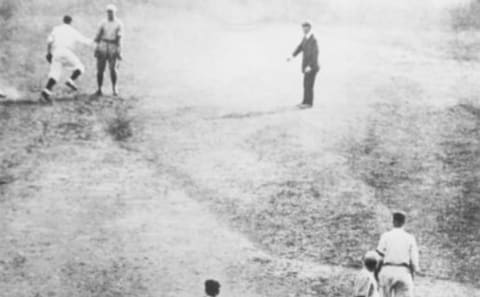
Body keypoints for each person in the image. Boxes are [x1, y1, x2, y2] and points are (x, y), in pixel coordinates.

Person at [40, 15, 94, 103]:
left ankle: (46, 92)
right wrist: (95, 41)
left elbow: (49, 41)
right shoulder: (72, 30)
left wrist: (48, 53)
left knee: (54, 74)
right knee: (80, 67)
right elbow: (84, 40)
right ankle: (70, 80)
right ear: (71, 22)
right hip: (66, 52)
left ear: (63, 21)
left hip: (56, 53)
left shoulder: (56, 29)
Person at [376, 211, 419, 297]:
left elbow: (379, 257)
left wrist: (376, 272)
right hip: (403, 272)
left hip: (387, 270)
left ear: (393, 221)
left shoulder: (385, 236)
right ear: (404, 222)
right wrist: (413, 273)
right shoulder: (410, 238)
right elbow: (414, 261)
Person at [287, 21, 319, 109]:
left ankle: (309, 103)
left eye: (306, 27)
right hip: (307, 67)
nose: (304, 29)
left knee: (309, 85)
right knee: (305, 84)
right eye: (303, 28)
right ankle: (305, 102)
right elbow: (300, 47)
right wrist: (292, 56)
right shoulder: (305, 38)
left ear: (309, 28)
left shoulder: (313, 40)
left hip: (312, 67)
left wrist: (310, 66)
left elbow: (315, 54)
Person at [94, 4, 124, 96]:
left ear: (115, 13)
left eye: (111, 12)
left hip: (113, 46)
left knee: (113, 69)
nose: (110, 14)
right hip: (103, 45)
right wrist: (96, 48)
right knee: (100, 69)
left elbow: (119, 38)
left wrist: (119, 51)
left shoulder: (119, 23)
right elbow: (98, 36)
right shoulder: (103, 22)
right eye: (108, 12)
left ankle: (114, 88)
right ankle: (99, 89)